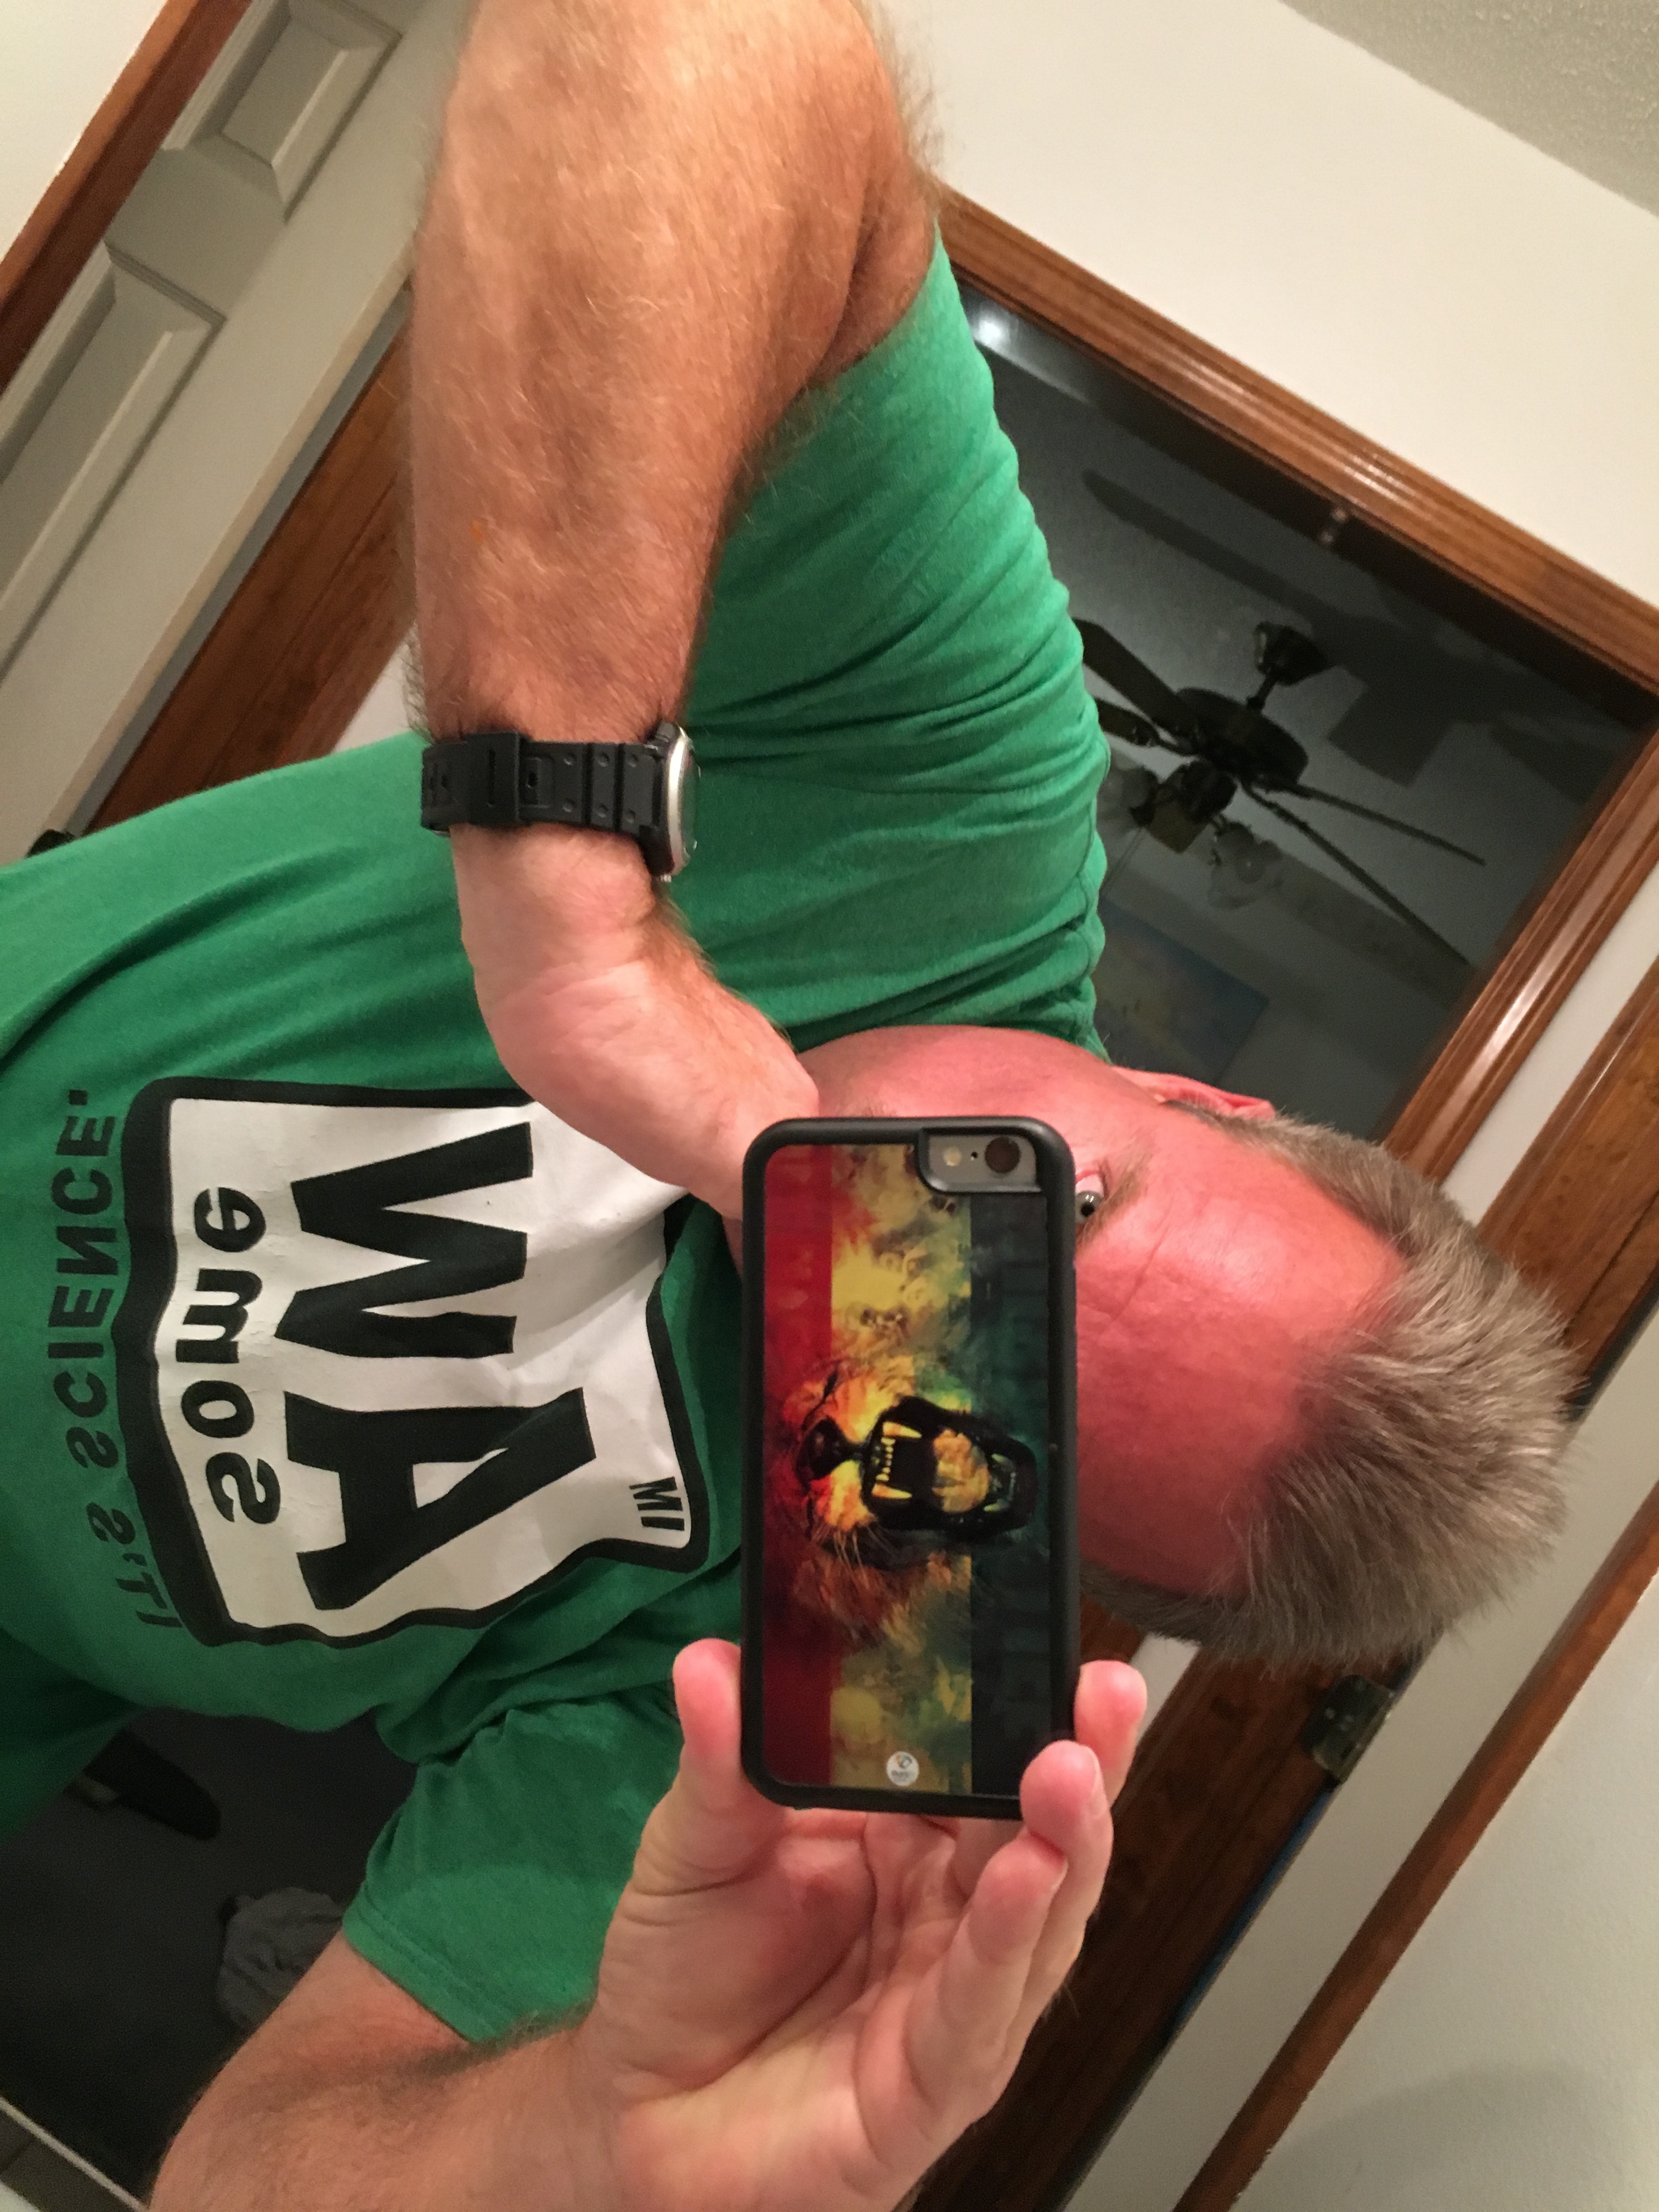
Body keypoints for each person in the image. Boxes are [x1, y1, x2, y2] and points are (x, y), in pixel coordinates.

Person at [0, 1, 1567, 2204]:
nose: (897, 1285)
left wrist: (593, 2140)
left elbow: (254, 2176)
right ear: (1186, 1091)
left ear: (1033, 1563)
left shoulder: (803, 1704)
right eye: (1049, 1216)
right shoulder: (955, 830)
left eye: (988, 1408)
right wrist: (576, 906)